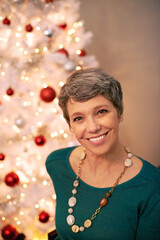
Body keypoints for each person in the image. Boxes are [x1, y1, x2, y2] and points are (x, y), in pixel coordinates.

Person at [46, 67, 160, 240]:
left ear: (119, 111)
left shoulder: (151, 186)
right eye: (78, 118)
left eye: (101, 112)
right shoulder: (57, 164)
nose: (93, 127)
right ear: (70, 126)